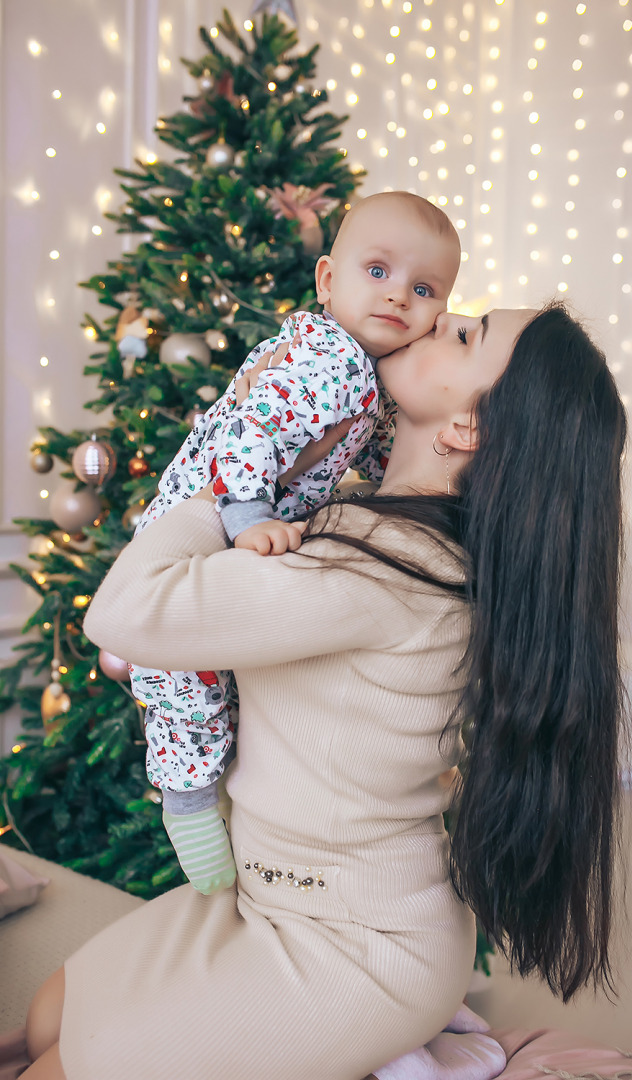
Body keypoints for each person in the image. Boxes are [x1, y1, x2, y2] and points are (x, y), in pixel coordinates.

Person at [23, 302, 628, 1080]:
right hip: (261, 895)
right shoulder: (366, 515)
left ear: (468, 430)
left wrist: (227, 468)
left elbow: (123, 613)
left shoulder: (386, 570)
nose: (437, 319)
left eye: (467, 335)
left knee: (60, 1067)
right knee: (48, 1021)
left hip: (357, 946)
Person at [128, 191, 462, 895]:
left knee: (213, 672)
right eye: (378, 270)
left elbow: (365, 451)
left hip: (228, 524)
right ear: (326, 280)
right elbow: (247, 433)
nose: (399, 295)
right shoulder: (327, 359)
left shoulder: (359, 372)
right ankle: (187, 806)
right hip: (213, 516)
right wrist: (249, 517)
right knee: (188, 686)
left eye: (424, 288)